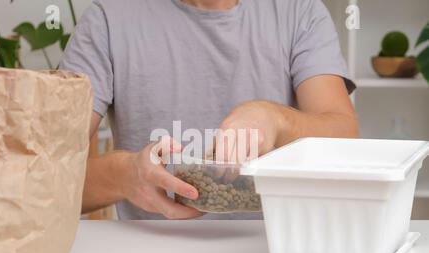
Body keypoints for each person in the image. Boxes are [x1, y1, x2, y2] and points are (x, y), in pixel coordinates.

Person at [60, 0, 359, 220]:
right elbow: (44, 177)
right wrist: (125, 174)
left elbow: (344, 140)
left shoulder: (299, 12)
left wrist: (276, 119)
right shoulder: (108, 21)